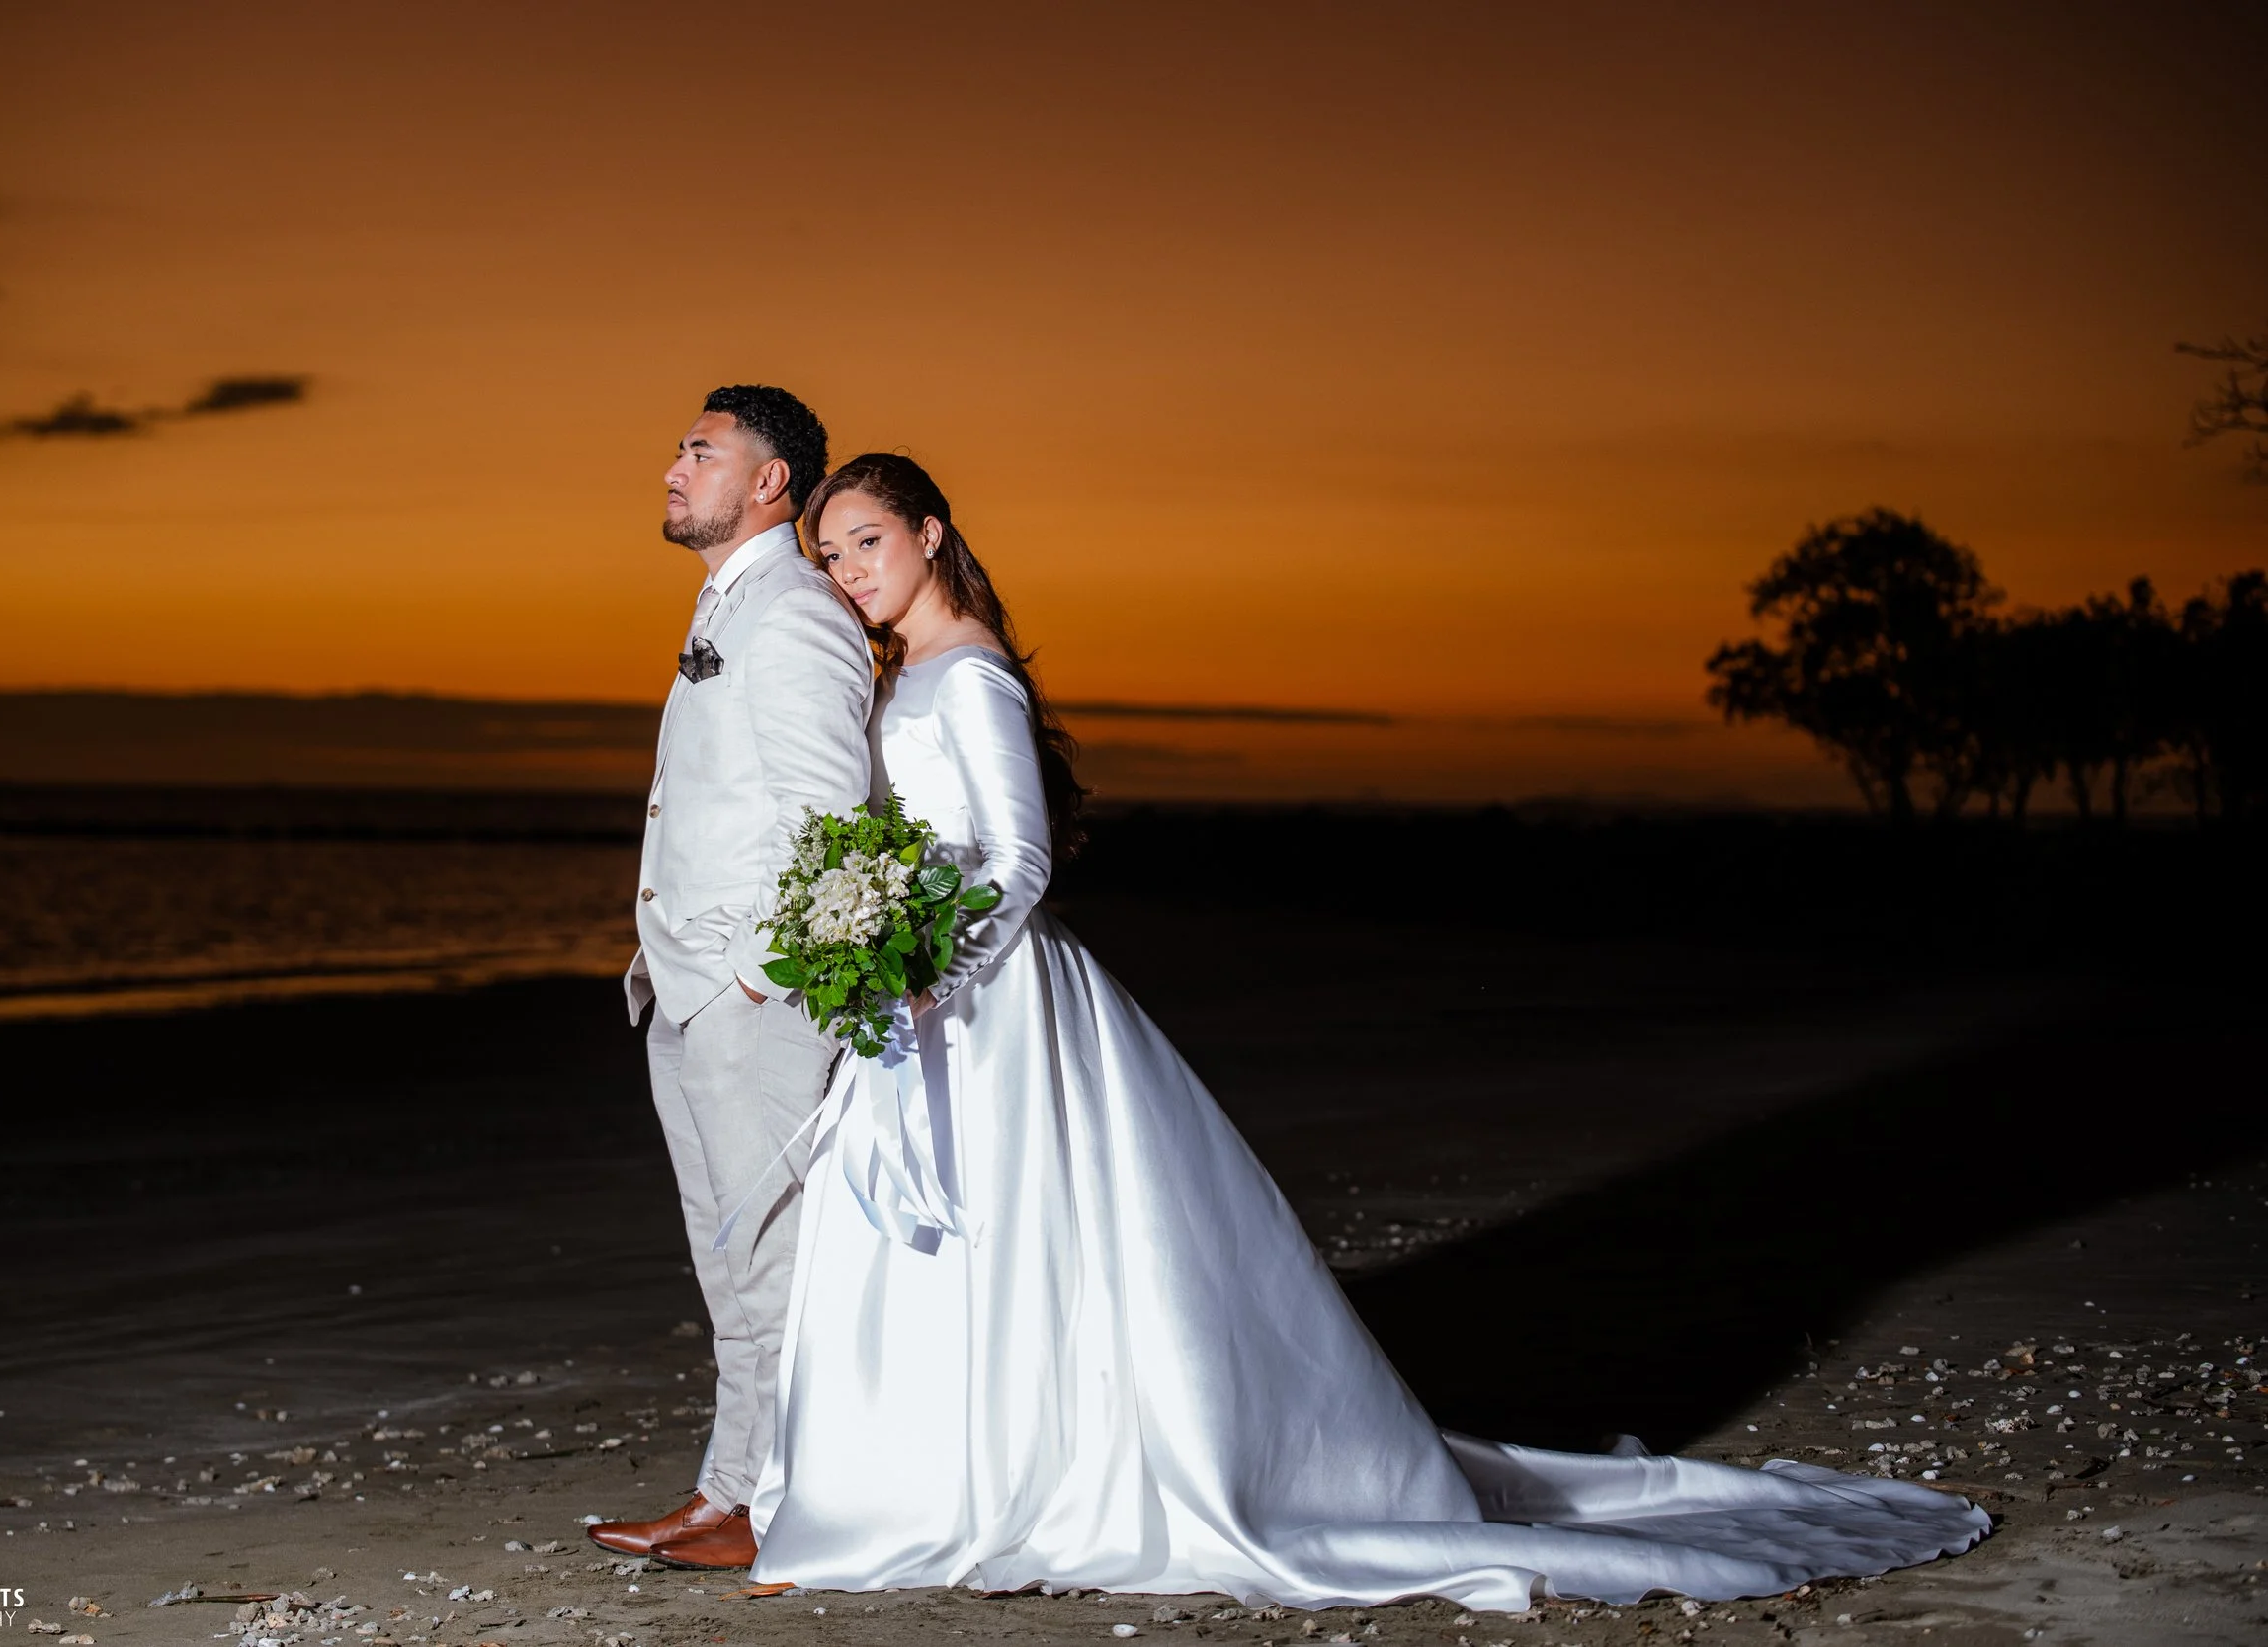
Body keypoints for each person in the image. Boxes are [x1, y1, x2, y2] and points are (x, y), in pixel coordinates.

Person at [741, 453, 1990, 1610]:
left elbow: (1014, 858)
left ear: (930, 533)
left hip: (987, 992)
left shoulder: (971, 672)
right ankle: (919, 1479)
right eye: (833, 553)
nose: (849, 569)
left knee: (1020, 1233)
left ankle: (1027, 1479)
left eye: (866, 541)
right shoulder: (904, 671)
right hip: (925, 988)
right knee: (930, 1238)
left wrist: (927, 969)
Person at [587, 387, 873, 1571]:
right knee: (729, 1259)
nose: (672, 466)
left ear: (768, 483)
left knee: (768, 1255)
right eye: (677, 447)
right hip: (684, 984)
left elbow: (830, 814)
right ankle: (727, 1490)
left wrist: (757, 974)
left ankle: (774, 1498)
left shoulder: (796, 614)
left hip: (748, 997)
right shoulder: (732, 604)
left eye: (699, 450)